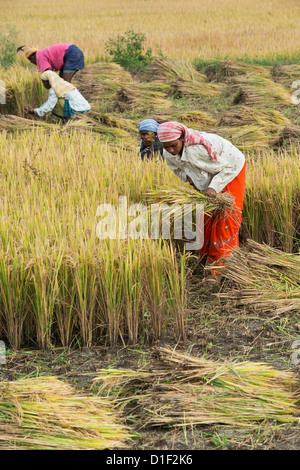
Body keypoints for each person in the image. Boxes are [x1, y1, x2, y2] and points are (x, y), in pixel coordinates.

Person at [157, 121, 246, 284]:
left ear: (182, 138)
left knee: (225, 220)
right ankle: (208, 256)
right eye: (166, 146)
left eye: (173, 145)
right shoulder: (168, 152)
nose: (170, 150)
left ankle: (220, 269)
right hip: (211, 171)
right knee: (206, 216)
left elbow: (226, 168)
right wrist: (189, 179)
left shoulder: (198, 149)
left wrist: (213, 188)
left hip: (231, 170)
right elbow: (177, 168)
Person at [25, 70, 90, 119]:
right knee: (59, 100)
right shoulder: (64, 84)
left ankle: (67, 119)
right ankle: (68, 119)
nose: (43, 85)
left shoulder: (54, 89)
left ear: (48, 81)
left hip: (77, 111)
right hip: (86, 109)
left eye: (44, 83)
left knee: (56, 103)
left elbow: (49, 106)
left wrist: (34, 111)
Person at [17, 44, 84, 83]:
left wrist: (46, 82)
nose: (34, 63)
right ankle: (65, 103)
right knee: (61, 82)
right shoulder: (42, 53)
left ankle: (69, 105)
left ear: (32, 58)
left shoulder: (39, 57)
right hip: (75, 52)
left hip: (72, 54)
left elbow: (48, 72)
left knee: (65, 83)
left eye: (31, 62)